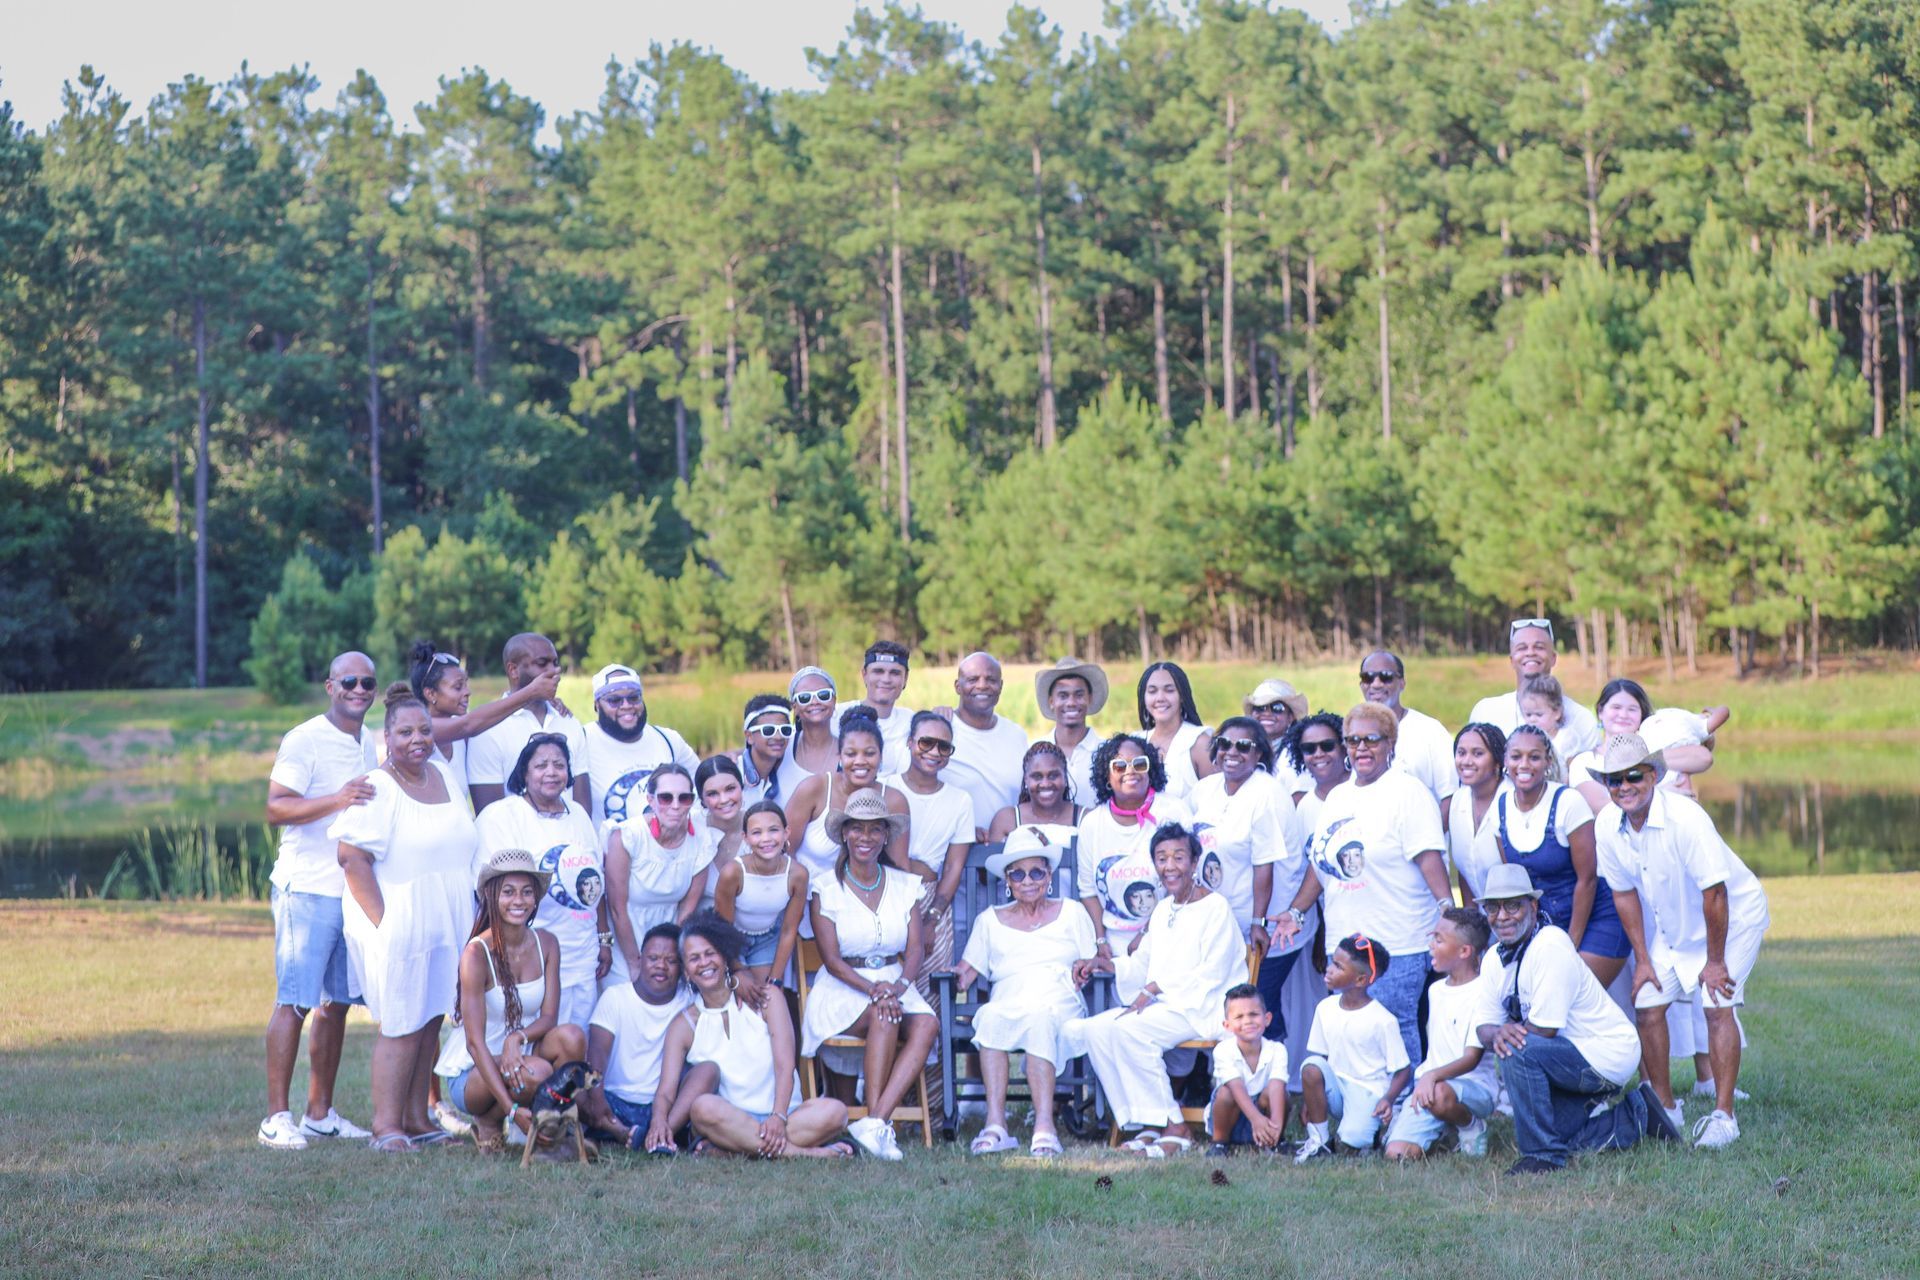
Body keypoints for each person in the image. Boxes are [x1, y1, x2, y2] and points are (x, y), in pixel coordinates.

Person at [1590, 733, 1770, 1149]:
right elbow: (1623, 894)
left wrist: (1715, 962)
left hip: (1732, 919)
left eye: (1634, 776)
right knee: (1647, 1004)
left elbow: (1716, 893)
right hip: (1675, 928)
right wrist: (1642, 960)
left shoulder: (1686, 818)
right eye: (1614, 780)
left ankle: (1724, 1118)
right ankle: (1666, 1109)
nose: (1624, 786)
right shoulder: (1606, 825)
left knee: (1716, 1004)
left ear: (1653, 775)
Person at [330, 682, 480, 1151]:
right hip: (402, 921)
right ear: (387, 738)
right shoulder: (379, 787)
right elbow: (351, 858)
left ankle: (417, 1119)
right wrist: (384, 923)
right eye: (405, 733)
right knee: (400, 1023)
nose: (418, 739)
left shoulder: (443, 775)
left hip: (448, 917)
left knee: (431, 1018)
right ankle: (386, 1126)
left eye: (424, 730)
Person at [1272, 703, 1450, 1072]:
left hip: (1398, 943)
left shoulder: (1408, 791)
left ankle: (1405, 1105)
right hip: (1344, 944)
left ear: (1390, 743)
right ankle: (1360, 1105)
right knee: (1350, 1034)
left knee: (1392, 1033)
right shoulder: (1338, 797)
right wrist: (1295, 912)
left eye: (1372, 739)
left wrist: (1447, 909)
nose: (1362, 747)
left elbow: (1429, 857)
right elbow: (1321, 865)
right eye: (1353, 740)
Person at [1473, 863, 1680, 1175]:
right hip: (1565, 1055)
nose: (1502, 916)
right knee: (1553, 1130)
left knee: (1515, 1049)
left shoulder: (1550, 944)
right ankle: (1637, 1115)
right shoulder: (1493, 958)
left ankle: (1541, 1157)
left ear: (1533, 906)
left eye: (1513, 905)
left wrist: (1503, 1036)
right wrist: (1497, 1033)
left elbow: (1543, 1030)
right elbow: (1483, 1028)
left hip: (1606, 1053)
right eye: (1493, 907)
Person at [1065, 823, 1244, 1159]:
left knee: (1131, 1031)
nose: (1170, 866)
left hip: (1202, 1005)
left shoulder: (1215, 907)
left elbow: (1213, 972)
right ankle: (1147, 1123)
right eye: (1162, 858)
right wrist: (1106, 965)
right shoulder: (1163, 909)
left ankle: (1175, 1126)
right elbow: (1142, 964)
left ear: (1194, 862)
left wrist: (1155, 987)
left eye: (1178, 857)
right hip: (1167, 1005)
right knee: (1097, 1029)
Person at [260, 651, 378, 1150]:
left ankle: (319, 1113)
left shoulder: (368, 741)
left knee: (336, 1005)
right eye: (349, 681)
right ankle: (275, 1118)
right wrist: (338, 798)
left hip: (349, 891)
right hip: (306, 889)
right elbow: (276, 807)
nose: (359, 690)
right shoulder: (304, 738)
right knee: (295, 1002)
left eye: (367, 682)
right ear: (330, 687)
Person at [800, 788, 939, 1161]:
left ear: (885, 835)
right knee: (885, 1013)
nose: (866, 837)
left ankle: (875, 1122)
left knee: (926, 1023)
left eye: (875, 829)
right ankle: (879, 1128)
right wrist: (875, 990)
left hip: (895, 982)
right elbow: (832, 959)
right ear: (844, 833)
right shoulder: (825, 887)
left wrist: (899, 986)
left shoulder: (904, 884)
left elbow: (915, 949)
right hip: (845, 985)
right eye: (858, 829)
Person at [653, 913, 854, 1158]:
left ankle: (735, 1149)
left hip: (785, 1116)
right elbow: (665, 1091)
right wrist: (658, 1122)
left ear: (725, 958)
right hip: (729, 1120)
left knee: (836, 1112)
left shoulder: (767, 998)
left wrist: (778, 1116)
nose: (704, 963)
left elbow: (785, 1065)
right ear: (686, 971)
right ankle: (805, 1154)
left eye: (710, 953)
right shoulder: (684, 1024)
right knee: (702, 1108)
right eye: (694, 958)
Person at [952, 826, 1099, 1158]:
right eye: (1018, 874)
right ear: (1008, 879)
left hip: (1057, 998)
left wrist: (1088, 966)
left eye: (1036, 872)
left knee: (1039, 1016)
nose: (1028, 880)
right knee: (989, 1015)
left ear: (1049, 875)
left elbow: (1092, 960)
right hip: (1009, 997)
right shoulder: (989, 920)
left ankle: (1044, 1125)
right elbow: (966, 971)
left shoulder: (1072, 912)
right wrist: (952, 976)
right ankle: (995, 1124)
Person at [435, 849, 587, 1154]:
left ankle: (552, 1128)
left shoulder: (547, 943)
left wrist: (515, 1039)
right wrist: (511, 1110)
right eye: (508, 892)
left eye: (526, 892)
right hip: (474, 1071)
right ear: (492, 897)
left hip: (523, 1052)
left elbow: (549, 1018)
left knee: (572, 1037)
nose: (519, 900)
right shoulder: (476, 954)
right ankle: (490, 1121)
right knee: (537, 1072)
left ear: (536, 898)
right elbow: (474, 1044)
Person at [474, 733, 610, 1030]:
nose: (551, 772)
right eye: (541, 765)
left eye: (559, 765)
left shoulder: (579, 815)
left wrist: (603, 939)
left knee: (577, 1041)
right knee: (534, 1041)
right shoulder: (502, 816)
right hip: (529, 959)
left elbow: (595, 882)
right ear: (524, 772)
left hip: (582, 955)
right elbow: (490, 893)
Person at [1499, 724, 1628, 985]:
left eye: (1534, 757)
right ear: (1505, 761)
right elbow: (1515, 884)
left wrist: (1570, 944)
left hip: (1597, 916)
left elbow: (1587, 879)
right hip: (1547, 926)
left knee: (1570, 994)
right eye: (1516, 756)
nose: (1524, 764)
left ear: (1548, 762)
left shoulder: (1568, 802)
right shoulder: (1500, 806)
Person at [1383, 908, 1498, 1160]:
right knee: (1397, 1154)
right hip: (1431, 1086)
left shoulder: (1483, 992)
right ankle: (1445, 1126)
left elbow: (1472, 1058)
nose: (1431, 945)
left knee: (1438, 1094)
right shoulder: (1435, 990)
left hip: (1473, 1088)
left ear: (1464, 951)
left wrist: (1432, 1076)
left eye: (1439, 939)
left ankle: (1470, 1125)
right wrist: (1429, 1078)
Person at [578, 923, 703, 1151]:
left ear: (682, 967)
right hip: (613, 1101)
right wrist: (597, 1099)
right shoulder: (615, 997)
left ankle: (648, 1133)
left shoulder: (689, 1002)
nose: (661, 966)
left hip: (663, 1108)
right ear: (640, 959)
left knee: (707, 1071)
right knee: (574, 1085)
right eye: (653, 958)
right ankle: (624, 1132)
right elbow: (597, 1053)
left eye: (671, 960)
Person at [1076, 736, 1194, 966]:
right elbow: (1088, 891)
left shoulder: (1173, 811)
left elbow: (1188, 881)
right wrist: (1101, 941)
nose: (1130, 771)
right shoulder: (1092, 824)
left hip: (1171, 935)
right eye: (1119, 766)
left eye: (1139, 764)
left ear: (1151, 770)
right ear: (1106, 776)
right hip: (1114, 946)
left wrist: (1147, 934)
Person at [1190, 716, 1304, 951]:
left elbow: (1264, 866)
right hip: (1216, 924)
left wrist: (1257, 922)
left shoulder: (1267, 794)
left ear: (1258, 753)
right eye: (1224, 744)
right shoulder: (1204, 789)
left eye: (1243, 746)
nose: (1232, 752)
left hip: (1263, 932)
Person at [1294, 934, 1412, 1161]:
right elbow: (1320, 1060)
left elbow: (1403, 1070)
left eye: (1338, 966)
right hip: (1337, 1087)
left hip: (1368, 1091)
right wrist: (1312, 1099)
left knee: (1353, 1141)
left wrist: (1387, 1099)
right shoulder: (1325, 1008)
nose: (1329, 969)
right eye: (1332, 962)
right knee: (1310, 1065)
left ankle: (1377, 1129)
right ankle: (1320, 1141)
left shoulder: (1382, 1020)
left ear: (1360, 980)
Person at [406, 642, 564, 806]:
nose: (467, 692)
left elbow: (480, 720)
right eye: (458, 687)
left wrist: (541, 704)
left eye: (466, 684)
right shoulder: (423, 730)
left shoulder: (460, 737)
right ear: (431, 694)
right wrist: (531, 693)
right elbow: (470, 724)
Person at [884, 711, 975, 978]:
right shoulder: (884, 787)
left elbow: (953, 867)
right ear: (909, 742)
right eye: (926, 742)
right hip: (884, 893)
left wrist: (932, 919)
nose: (934, 752)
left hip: (931, 900)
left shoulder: (960, 801)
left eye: (944, 746)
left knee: (930, 985)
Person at [604, 765, 714, 984]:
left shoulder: (702, 840)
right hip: (625, 939)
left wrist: (671, 956)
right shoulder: (627, 837)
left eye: (684, 798)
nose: (675, 805)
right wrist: (635, 962)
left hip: (669, 941)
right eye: (665, 798)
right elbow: (617, 908)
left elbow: (687, 909)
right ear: (650, 800)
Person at [784, 706, 913, 886]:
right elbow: (784, 851)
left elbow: (898, 867)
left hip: (864, 894)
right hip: (805, 892)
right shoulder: (814, 789)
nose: (860, 761)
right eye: (851, 754)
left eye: (869, 753)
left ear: (881, 757)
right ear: (839, 757)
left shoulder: (893, 800)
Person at [467, 633, 590, 814]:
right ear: (513, 670)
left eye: (555, 663)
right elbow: (489, 816)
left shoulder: (568, 721)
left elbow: (583, 809)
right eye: (542, 663)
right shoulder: (489, 729)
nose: (554, 671)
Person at [1569, 678, 1728, 812]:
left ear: (1642, 716)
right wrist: (1658, 795)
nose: (1623, 715)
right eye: (1616, 708)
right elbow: (1600, 806)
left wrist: (1646, 760)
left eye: (1632, 709)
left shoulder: (1655, 748)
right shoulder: (1584, 762)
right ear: (1600, 711)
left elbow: (1704, 758)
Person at [581, 663, 699, 832]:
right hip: (609, 849)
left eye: (634, 698)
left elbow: (703, 789)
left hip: (671, 847)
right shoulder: (581, 741)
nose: (626, 705)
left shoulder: (668, 740)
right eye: (614, 700)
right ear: (597, 705)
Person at [1468, 619, 1601, 754]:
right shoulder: (1486, 711)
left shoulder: (1581, 718)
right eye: (1522, 648)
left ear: (1553, 658)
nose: (1530, 653)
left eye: (1539, 647)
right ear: (1511, 660)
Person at [713, 800, 809, 985]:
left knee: (768, 996)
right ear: (745, 838)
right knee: (743, 994)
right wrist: (737, 970)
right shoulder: (733, 873)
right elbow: (723, 927)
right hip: (731, 939)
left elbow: (789, 930)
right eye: (757, 832)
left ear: (786, 833)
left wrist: (775, 980)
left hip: (768, 939)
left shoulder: (798, 874)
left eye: (773, 830)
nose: (766, 839)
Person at [941, 652, 1032, 838]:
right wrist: (964, 830)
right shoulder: (941, 729)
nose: (982, 685)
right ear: (957, 686)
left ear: (1001, 686)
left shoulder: (1016, 734)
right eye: (973, 679)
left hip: (1008, 848)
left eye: (991, 679)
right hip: (954, 847)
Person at [1359, 650, 1456, 805]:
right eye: (1368, 677)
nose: (1376, 684)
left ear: (1402, 683)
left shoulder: (1430, 731)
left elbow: (1450, 796)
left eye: (1386, 677)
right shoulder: (1353, 737)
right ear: (1361, 684)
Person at [1206, 985, 1288, 1158]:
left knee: (1281, 1093)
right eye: (1239, 1017)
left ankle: (1275, 1141)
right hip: (1231, 1120)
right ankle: (1219, 1143)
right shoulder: (1223, 1050)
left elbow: (1276, 1087)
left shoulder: (1278, 1049)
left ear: (1267, 1018)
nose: (1248, 1021)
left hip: (1264, 1121)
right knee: (1226, 1093)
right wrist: (1256, 1120)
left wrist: (1276, 1127)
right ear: (1227, 1025)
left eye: (1253, 1014)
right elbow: (1236, 1087)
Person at [1445, 723, 1509, 908]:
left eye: (1477, 753)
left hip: (1515, 914)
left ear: (1497, 761)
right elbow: (1465, 872)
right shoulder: (1458, 800)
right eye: (1461, 753)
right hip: (1482, 918)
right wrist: (1471, 919)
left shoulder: (1512, 801)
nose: (1466, 761)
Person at [831, 641, 916, 776]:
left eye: (895, 673)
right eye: (878, 671)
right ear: (864, 675)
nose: (886, 679)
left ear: (905, 678)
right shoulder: (836, 716)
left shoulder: (911, 721)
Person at [1032, 657, 1108, 805]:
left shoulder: (1106, 752)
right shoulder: (1035, 752)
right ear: (1051, 701)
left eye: (1079, 695)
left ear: (1089, 699)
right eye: (1063, 696)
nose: (1071, 702)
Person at [1137, 661, 1214, 800]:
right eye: (1152, 691)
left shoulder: (1200, 743)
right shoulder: (1135, 742)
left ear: (1182, 696)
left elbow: (1217, 800)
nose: (1160, 698)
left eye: (1169, 690)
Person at [985, 741, 1082, 843]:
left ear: (1065, 778)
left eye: (1053, 776)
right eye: (1037, 776)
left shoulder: (1084, 818)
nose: (1045, 784)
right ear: (1026, 780)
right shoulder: (1006, 819)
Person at [778, 667, 840, 800]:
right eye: (804, 698)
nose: (815, 702)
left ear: (834, 701)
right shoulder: (782, 747)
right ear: (794, 707)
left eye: (823, 695)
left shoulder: (850, 751)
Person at [1245, 679, 1310, 793]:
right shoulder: (1241, 746)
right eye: (1260, 708)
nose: (1267, 713)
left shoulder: (1297, 754)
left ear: (1291, 717)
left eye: (1277, 708)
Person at [736, 695, 796, 806]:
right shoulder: (732, 774)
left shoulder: (789, 772)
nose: (778, 737)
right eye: (768, 730)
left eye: (785, 730)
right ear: (749, 736)